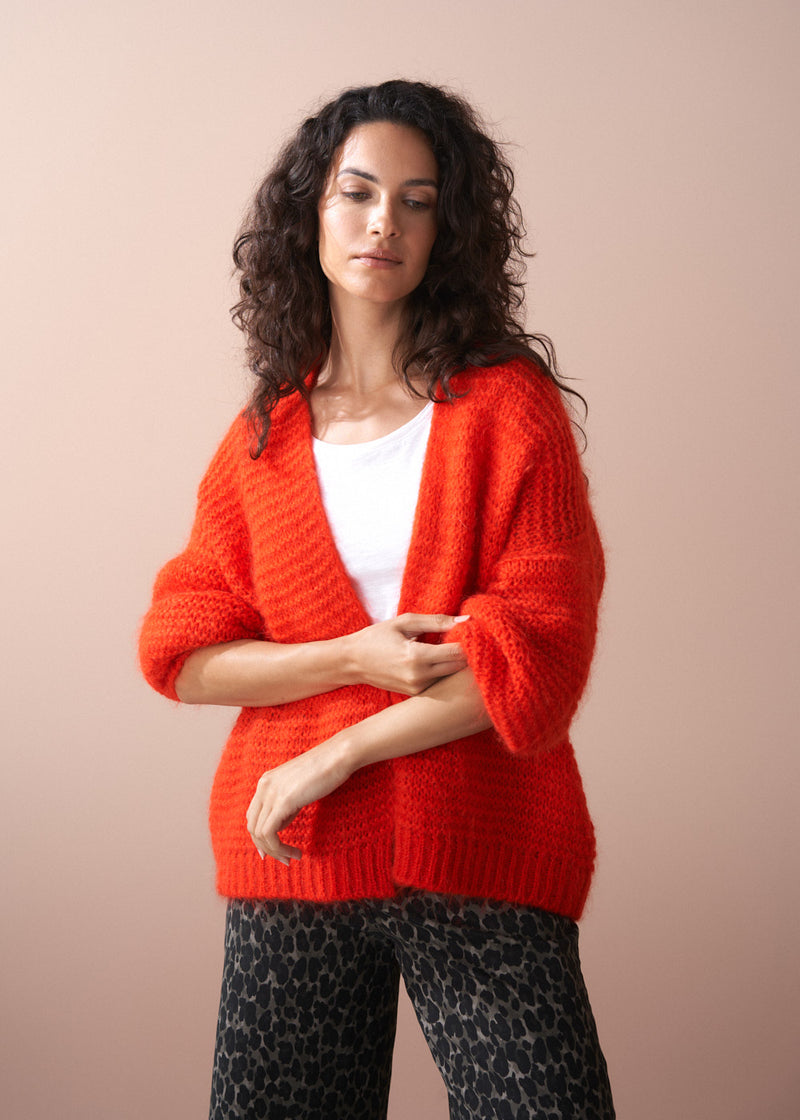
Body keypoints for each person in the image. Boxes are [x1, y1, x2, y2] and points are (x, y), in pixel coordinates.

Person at [139, 79, 615, 1120]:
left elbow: (535, 656)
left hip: (477, 841)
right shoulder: (263, 439)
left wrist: (333, 749)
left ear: (446, 226)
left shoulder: (507, 413)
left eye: (415, 197)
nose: (381, 222)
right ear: (311, 213)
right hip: (294, 858)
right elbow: (183, 651)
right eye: (356, 192)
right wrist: (354, 657)